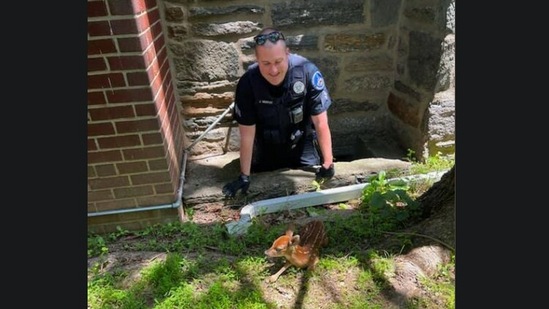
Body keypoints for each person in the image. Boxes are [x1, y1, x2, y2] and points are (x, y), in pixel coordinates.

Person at [222, 27, 335, 197]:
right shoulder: (248, 84)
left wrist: (328, 162)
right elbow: (246, 135)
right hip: (266, 148)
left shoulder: (307, 72)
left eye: (278, 61)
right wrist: (244, 176)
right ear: (257, 59)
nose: (273, 70)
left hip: (301, 145)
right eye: (266, 63)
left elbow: (320, 123)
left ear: (287, 53)